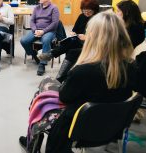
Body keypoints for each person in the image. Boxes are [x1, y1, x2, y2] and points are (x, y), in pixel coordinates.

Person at [44, 12, 137, 153]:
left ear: (93, 37)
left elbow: (65, 97)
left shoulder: (83, 71)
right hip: (113, 127)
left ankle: (33, 138)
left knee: (44, 90)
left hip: (78, 129)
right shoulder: (131, 67)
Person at [38, 0, 99, 82]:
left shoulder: (99, 20)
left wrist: (87, 37)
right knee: (68, 42)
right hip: (80, 41)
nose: (86, 13)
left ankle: (59, 77)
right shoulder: (82, 16)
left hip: (92, 45)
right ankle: (51, 55)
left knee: (71, 51)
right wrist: (73, 33)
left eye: (89, 11)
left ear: (95, 10)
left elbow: (102, 38)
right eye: (84, 11)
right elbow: (75, 29)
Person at [20, 0, 60, 76]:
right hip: (36, 30)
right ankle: (33, 53)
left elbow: (55, 23)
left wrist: (43, 31)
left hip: (49, 31)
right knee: (23, 40)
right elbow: (32, 21)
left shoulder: (54, 8)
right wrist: (35, 30)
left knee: (45, 40)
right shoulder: (37, 8)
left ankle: (42, 64)